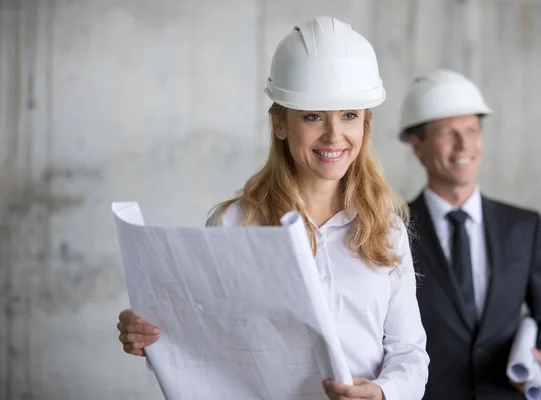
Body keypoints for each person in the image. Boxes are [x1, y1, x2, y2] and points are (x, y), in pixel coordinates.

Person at [116, 16, 429, 400]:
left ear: (365, 124)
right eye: (313, 116)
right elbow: (200, 340)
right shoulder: (234, 223)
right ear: (280, 123)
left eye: (350, 115)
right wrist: (149, 336)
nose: (334, 135)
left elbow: (409, 353)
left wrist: (382, 394)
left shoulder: (387, 230)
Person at [398, 69, 541, 399]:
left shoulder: (523, 227)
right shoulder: (390, 228)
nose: (464, 144)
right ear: (417, 145)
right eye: (448, 133)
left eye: (471, 130)